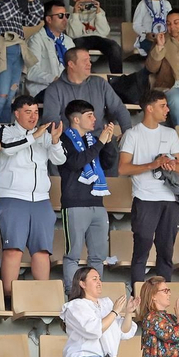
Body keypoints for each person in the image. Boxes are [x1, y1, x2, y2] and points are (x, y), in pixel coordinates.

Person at [0, 96, 65, 297]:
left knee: (42, 251)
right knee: (13, 250)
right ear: (16, 113)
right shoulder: (5, 130)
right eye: (28, 112)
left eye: (36, 112)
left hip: (41, 198)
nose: (33, 116)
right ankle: (9, 299)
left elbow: (59, 159)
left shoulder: (44, 134)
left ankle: (41, 298)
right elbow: (8, 149)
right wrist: (34, 136)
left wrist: (55, 140)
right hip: (12, 196)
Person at [124, 91, 179, 285]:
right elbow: (123, 167)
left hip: (169, 199)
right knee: (142, 249)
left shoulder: (171, 133)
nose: (167, 109)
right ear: (149, 108)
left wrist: (169, 164)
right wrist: (152, 165)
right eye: (163, 105)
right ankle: (137, 299)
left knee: (166, 251)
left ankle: (163, 299)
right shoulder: (132, 134)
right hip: (145, 199)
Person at [60, 99, 118, 289]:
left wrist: (108, 142)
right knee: (73, 254)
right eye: (89, 115)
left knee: (98, 256)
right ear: (76, 120)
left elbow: (108, 164)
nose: (94, 119)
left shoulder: (93, 139)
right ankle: (72, 293)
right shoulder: (64, 138)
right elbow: (76, 162)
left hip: (97, 203)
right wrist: (100, 143)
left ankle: (95, 294)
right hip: (75, 203)